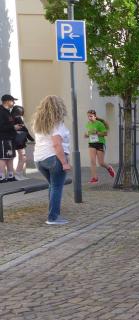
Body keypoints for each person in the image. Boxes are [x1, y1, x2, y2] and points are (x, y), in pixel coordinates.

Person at [31, 95, 72, 225]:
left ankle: (53, 213)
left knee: (53, 186)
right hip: (54, 158)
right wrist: (64, 163)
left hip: (39, 160)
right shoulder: (57, 124)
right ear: (59, 107)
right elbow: (57, 144)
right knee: (57, 187)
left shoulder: (38, 123)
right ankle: (53, 217)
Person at [84, 109, 115, 184]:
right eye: (88, 116)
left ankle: (109, 168)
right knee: (92, 161)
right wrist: (86, 135)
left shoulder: (99, 124)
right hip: (92, 143)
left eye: (91, 116)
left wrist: (97, 133)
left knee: (101, 163)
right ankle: (95, 178)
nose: (89, 118)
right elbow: (86, 134)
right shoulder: (88, 124)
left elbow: (105, 133)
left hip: (100, 143)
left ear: (95, 116)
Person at [11, 105, 34, 180]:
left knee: (18, 158)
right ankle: (18, 174)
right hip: (19, 141)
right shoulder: (17, 118)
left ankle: (17, 174)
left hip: (13, 140)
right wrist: (31, 139)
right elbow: (25, 129)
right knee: (23, 157)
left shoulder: (11, 117)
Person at [0, 94, 19, 182]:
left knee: (10, 157)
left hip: (10, 138)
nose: (14, 102)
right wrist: (13, 127)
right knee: (3, 158)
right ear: (7, 101)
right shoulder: (1, 111)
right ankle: (1, 178)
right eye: (12, 101)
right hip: (3, 138)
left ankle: (11, 176)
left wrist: (15, 127)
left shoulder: (8, 111)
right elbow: (1, 127)